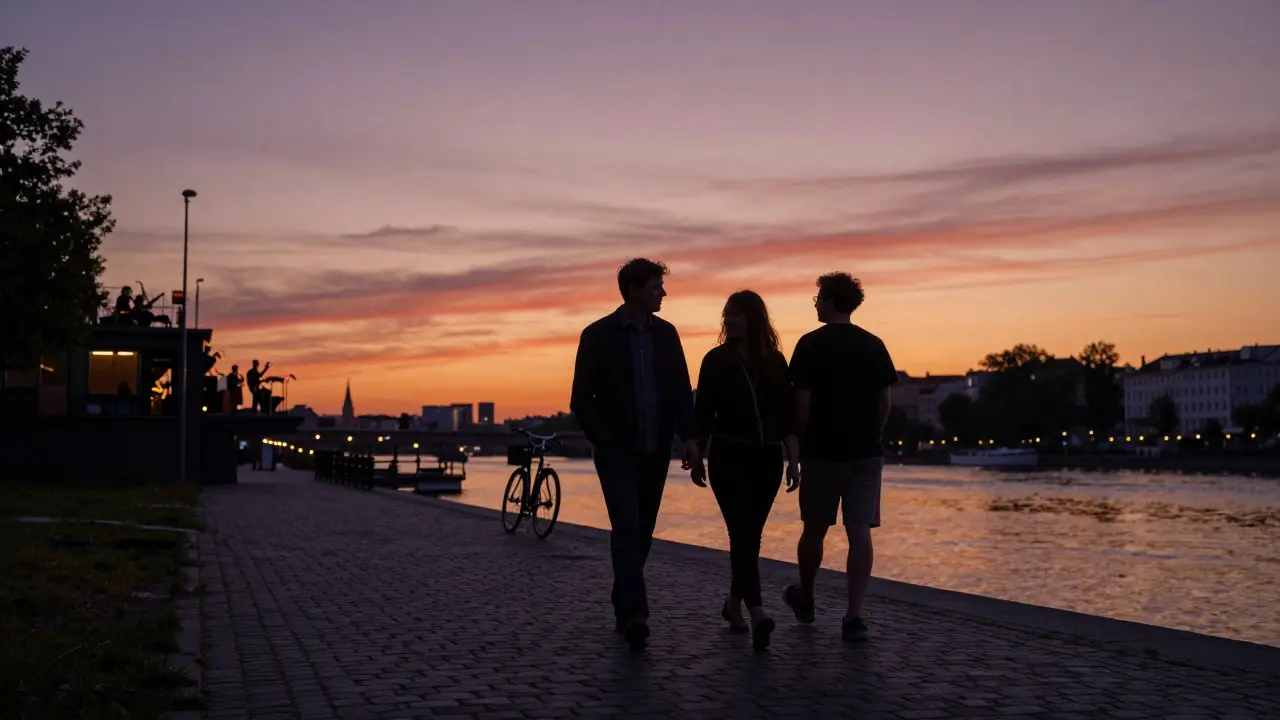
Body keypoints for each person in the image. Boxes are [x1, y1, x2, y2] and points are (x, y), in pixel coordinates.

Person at [570, 258, 703, 651]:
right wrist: (604, 440)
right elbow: (581, 397)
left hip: (655, 448)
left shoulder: (667, 335)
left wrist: (689, 438)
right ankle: (635, 615)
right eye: (656, 286)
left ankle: (622, 598)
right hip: (618, 452)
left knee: (641, 531)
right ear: (633, 290)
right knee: (627, 527)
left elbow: (681, 391)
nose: (663, 293)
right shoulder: (598, 335)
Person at [783, 272, 897, 642]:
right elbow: (885, 401)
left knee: (814, 527)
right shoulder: (874, 344)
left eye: (818, 297)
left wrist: (798, 444)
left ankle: (807, 596)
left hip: (823, 450)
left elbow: (802, 402)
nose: (815, 303)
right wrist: (875, 432)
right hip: (866, 451)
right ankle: (853, 615)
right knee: (859, 529)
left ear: (831, 300)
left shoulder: (810, 345)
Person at [694, 290, 800, 651]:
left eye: (735, 315)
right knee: (740, 531)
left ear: (753, 319)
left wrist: (793, 458)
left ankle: (733, 605)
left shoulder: (775, 362)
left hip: (767, 459)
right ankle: (758, 613)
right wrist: (696, 451)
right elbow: (703, 411)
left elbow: (786, 414)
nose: (728, 320)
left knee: (750, 536)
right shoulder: (716, 360)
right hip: (728, 456)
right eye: (726, 315)